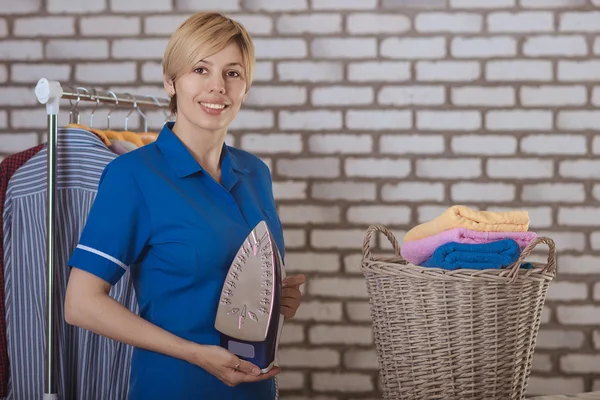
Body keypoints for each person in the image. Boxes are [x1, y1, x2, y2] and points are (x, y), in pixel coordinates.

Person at [64, 11, 306, 399]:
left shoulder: (255, 172)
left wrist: (278, 298)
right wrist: (195, 354)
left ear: (246, 86)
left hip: (256, 390)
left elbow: (234, 284)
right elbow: (80, 303)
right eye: (200, 69)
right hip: (176, 386)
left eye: (233, 73)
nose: (218, 87)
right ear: (170, 81)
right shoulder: (134, 176)